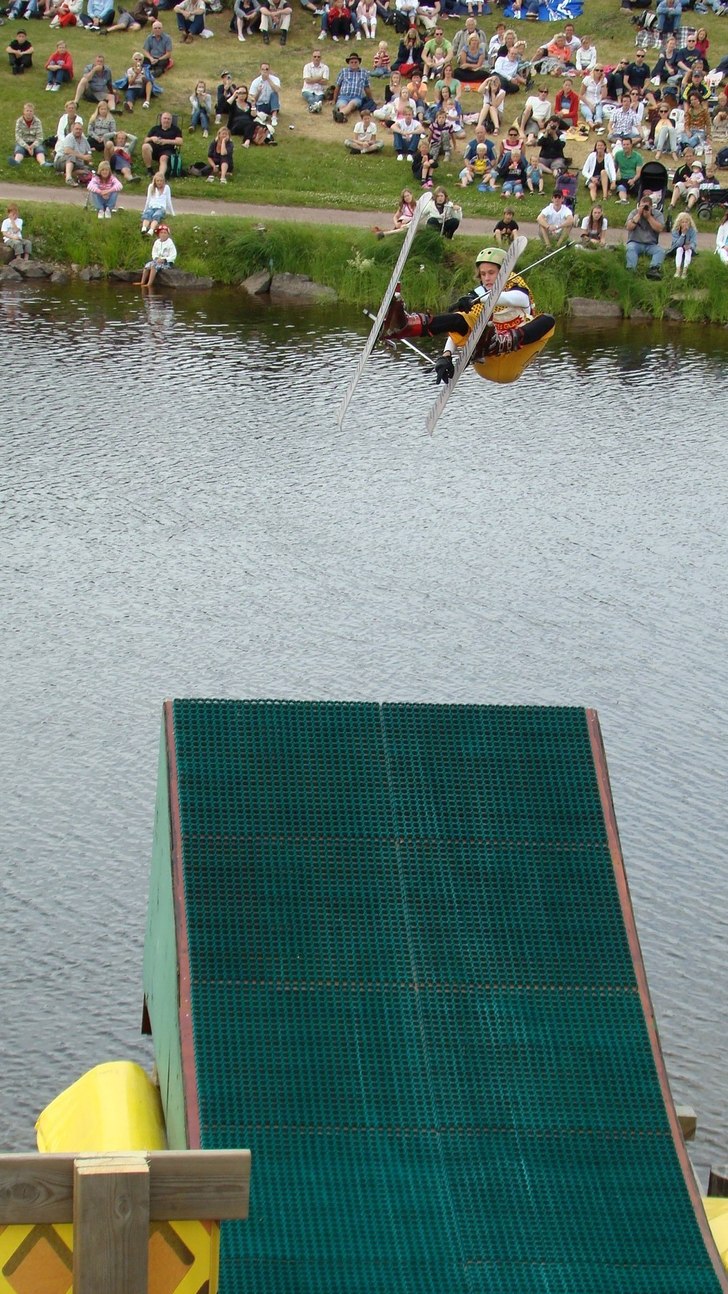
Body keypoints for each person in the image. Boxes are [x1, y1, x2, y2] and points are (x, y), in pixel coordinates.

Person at [380, 245, 555, 375]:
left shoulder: (515, 285)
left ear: (504, 272)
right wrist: (446, 355)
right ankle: (406, 326)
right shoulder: (479, 295)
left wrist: (479, 298)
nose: (486, 278)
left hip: (513, 361)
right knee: (460, 319)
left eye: (491, 273)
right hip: (487, 362)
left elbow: (518, 299)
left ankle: (500, 342)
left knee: (548, 320)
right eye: (483, 274)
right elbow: (460, 327)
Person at [625, 194, 665, 277]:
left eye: (646, 206)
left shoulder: (658, 214)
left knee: (660, 251)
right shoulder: (634, 212)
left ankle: (653, 269)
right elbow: (629, 227)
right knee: (630, 248)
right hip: (635, 242)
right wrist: (638, 215)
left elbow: (659, 229)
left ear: (651, 207)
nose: (643, 208)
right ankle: (631, 269)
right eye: (641, 206)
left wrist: (649, 217)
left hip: (651, 244)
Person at [333, 51, 376, 120]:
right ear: (349, 63)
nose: (354, 64)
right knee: (342, 105)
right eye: (352, 62)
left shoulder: (364, 73)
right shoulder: (343, 71)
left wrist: (371, 100)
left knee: (351, 104)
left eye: (355, 62)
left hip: (356, 97)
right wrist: (334, 100)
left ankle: (340, 114)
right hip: (343, 96)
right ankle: (341, 116)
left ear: (359, 63)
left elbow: (367, 88)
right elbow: (338, 86)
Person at [141, 111, 183, 177]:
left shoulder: (175, 129)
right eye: (164, 118)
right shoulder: (155, 128)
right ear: (161, 119)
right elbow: (145, 140)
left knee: (163, 158)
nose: (166, 120)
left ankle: (160, 176)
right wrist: (152, 138)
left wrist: (165, 141)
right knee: (145, 146)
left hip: (168, 150)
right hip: (154, 149)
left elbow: (180, 142)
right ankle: (149, 170)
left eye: (168, 119)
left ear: (171, 121)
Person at [138, 221, 177, 287]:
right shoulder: (157, 242)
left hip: (167, 262)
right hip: (157, 260)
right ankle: (142, 282)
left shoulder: (170, 243)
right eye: (161, 232)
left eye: (165, 233)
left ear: (168, 234)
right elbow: (154, 252)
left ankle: (149, 284)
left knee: (154, 266)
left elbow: (173, 255)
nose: (163, 234)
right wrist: (156, 258)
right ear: (158, 234)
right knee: (147, 265)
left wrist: (164, 259)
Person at [54, 119, 93, 183]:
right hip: (61, 161)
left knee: (88, 171)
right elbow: (67, 151)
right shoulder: (69, 137)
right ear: (72, 129)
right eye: (76, 129)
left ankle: (65, 173)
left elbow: (88, 153)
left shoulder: (84, 140)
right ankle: (68, 178)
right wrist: (83, 157)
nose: (78, 131)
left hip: (76, 163)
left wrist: (88, 159)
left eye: (80, 129)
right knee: (71, 156)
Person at [11, 103, 46, 168]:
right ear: (24, 112)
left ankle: (43, 163)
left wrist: (32, 146)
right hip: (23, 142)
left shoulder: (38, 121)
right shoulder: (19, 121)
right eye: (27, 111)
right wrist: (26, 146)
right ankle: (16, 162)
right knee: (19, 150)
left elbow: (40, 137)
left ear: (33, 112)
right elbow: (18, 137)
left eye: (31, 111)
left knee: (40, 150)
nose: (29, 113)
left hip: (34, 142)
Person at [250, 61, 282, 126]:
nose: (265, 71)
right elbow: (253, 99)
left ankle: (274, 117)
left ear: (269, 70)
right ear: (260, 70)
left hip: (271, 105)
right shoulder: (255, 82)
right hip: (260, 105)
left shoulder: (275, 79)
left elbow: (277, 90)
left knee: (274, 94)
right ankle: (261, 117)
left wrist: (268, 79)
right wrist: (258, 92)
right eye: (263, 69)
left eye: (267, 69)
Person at [613, 137, 643, 202]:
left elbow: (638, 173)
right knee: (621, 187)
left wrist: (633, 180)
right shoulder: (618, 155)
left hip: (635, 179)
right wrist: (613, 181)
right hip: (624, 179)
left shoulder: (638, 156)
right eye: (624, 145)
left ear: (631, 145)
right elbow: (614, 169)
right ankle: (623, 200)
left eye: (627, 144)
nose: (625, 146)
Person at [669, 212, 697, 278]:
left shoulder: (692, 231)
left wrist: (690, 246)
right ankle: (678, 270)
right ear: (679, 223)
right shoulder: (675, 231)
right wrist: (683, 234)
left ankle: (685, 271)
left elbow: (694, 242)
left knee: (688, 251)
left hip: (688, 248)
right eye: (683, 222)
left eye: (686, 222)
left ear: (689, 222)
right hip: (676, 248)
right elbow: (677, 244)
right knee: (680, 249)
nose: (685, 224)